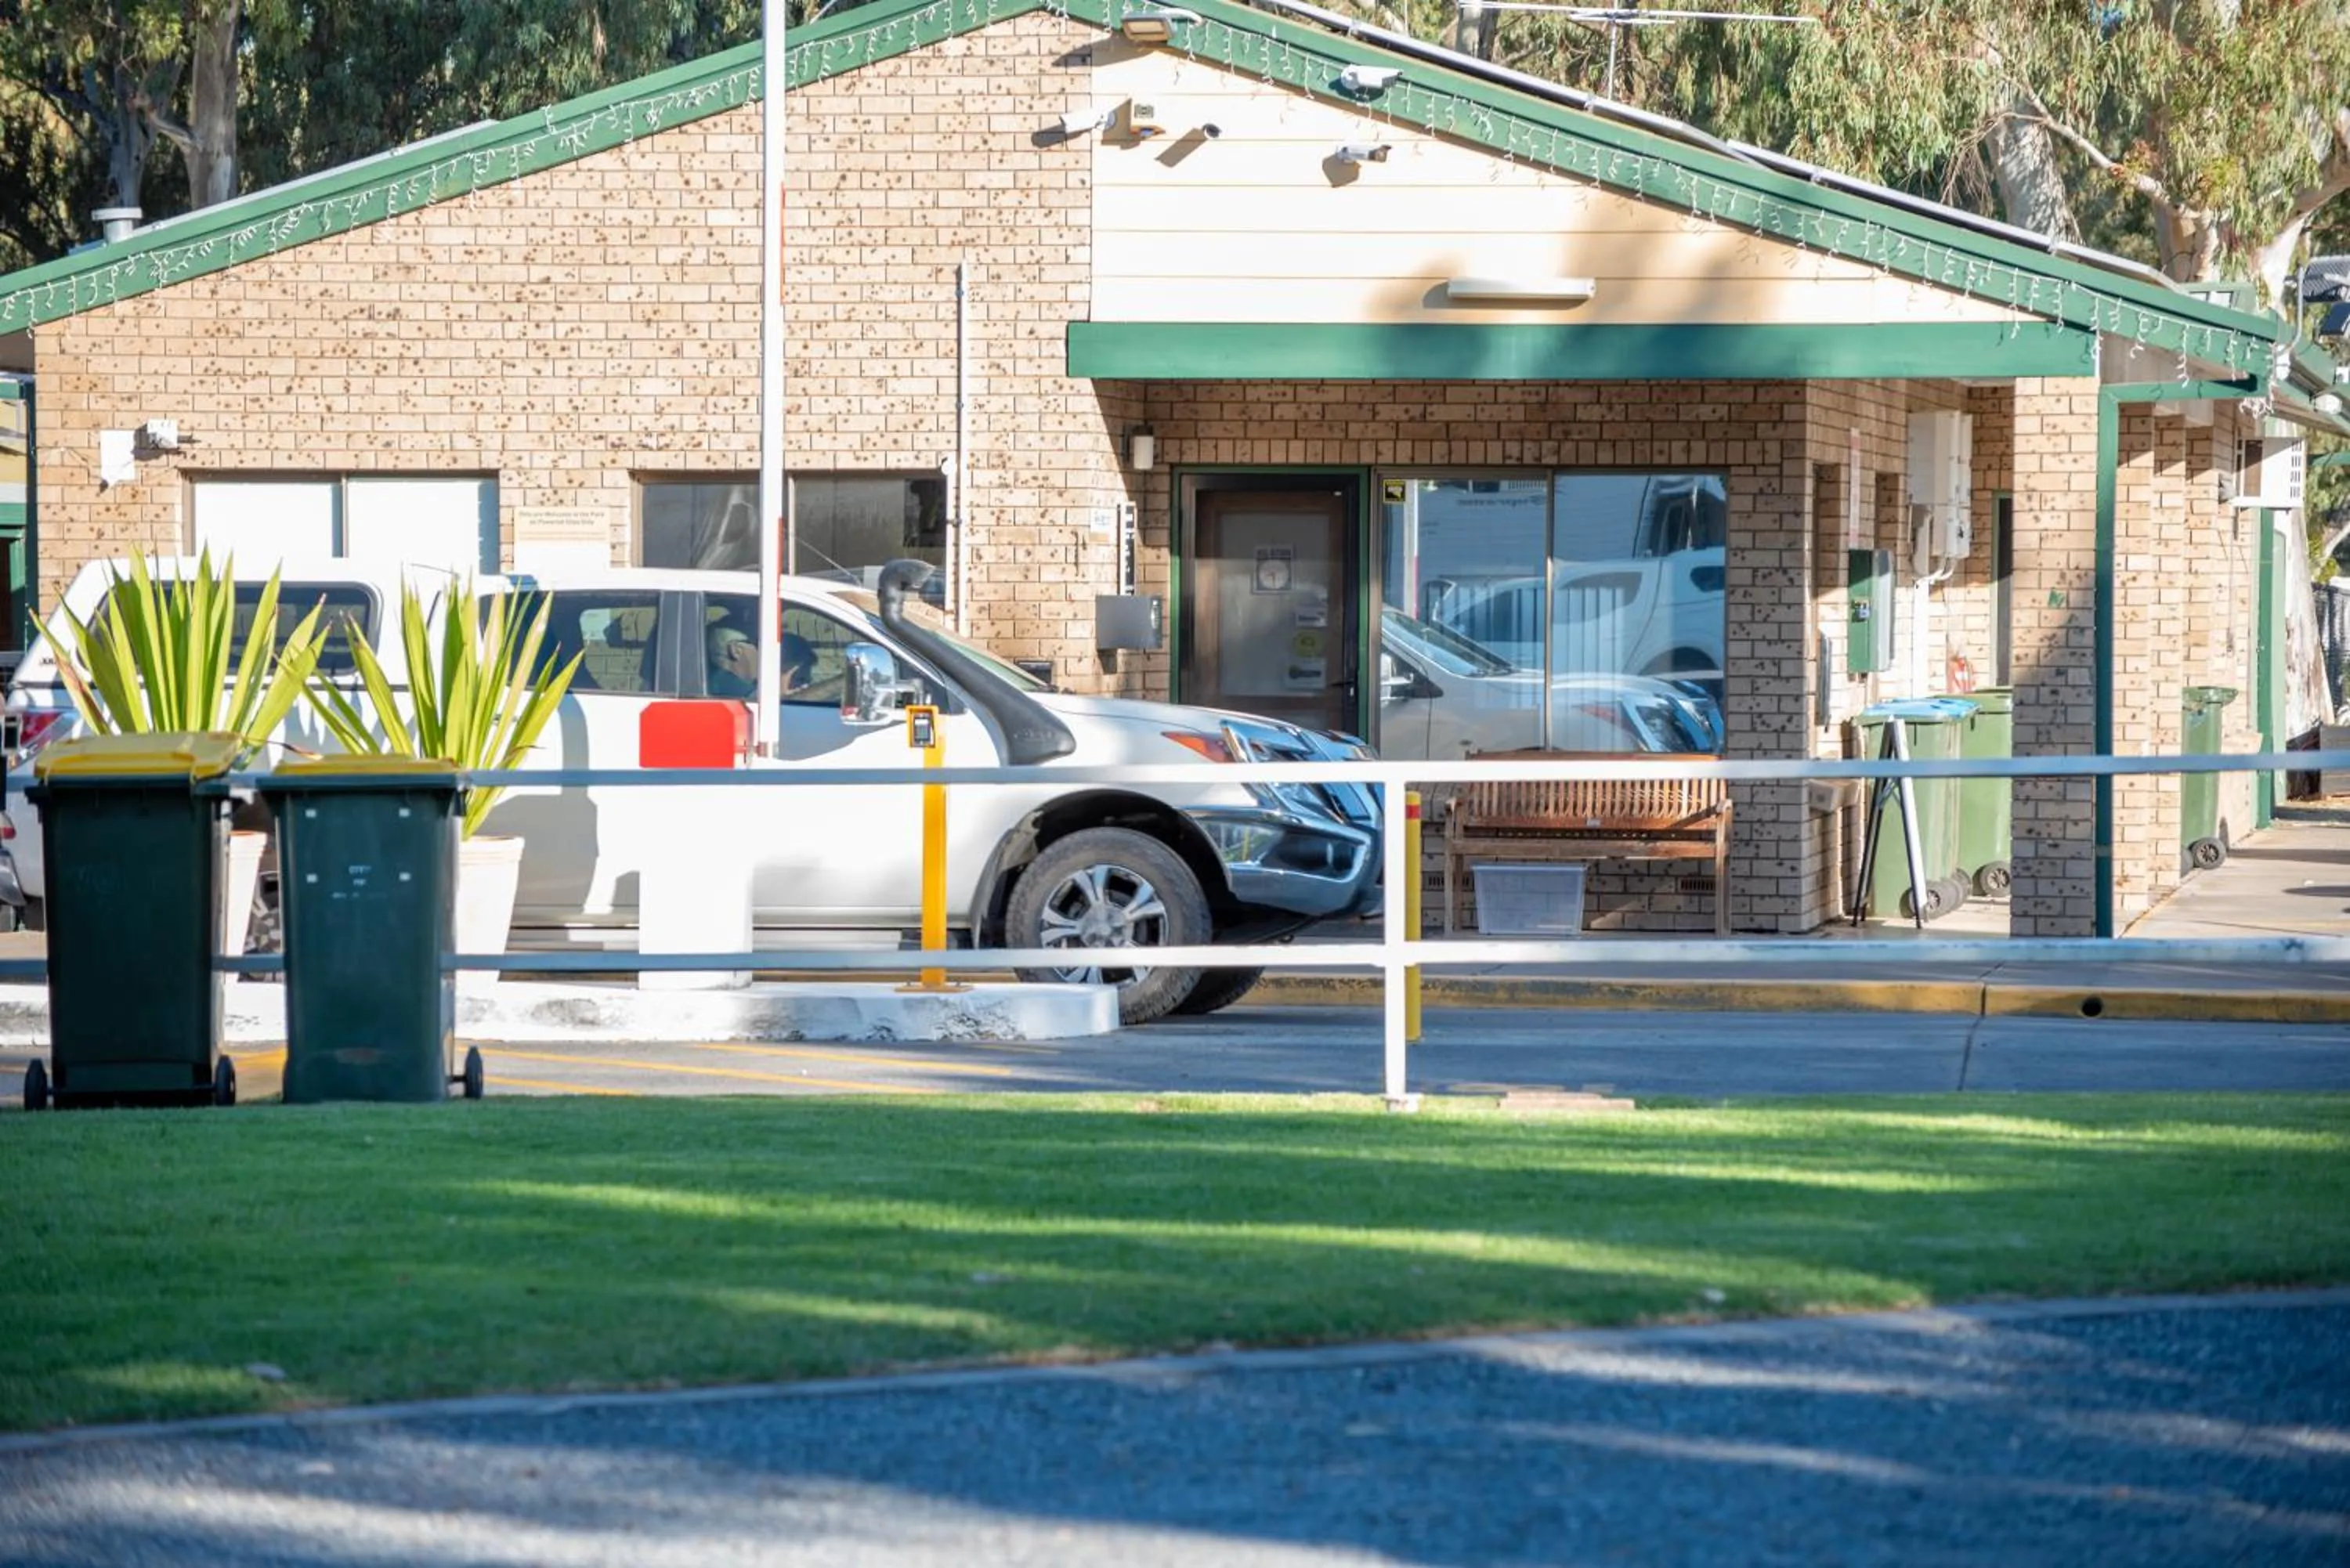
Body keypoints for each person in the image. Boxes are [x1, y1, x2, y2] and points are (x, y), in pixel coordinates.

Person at [707, 624, 819, 699]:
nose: (766, 654)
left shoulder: (712, 682)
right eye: (759, 645)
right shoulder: (731, 688)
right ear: (736, 650)